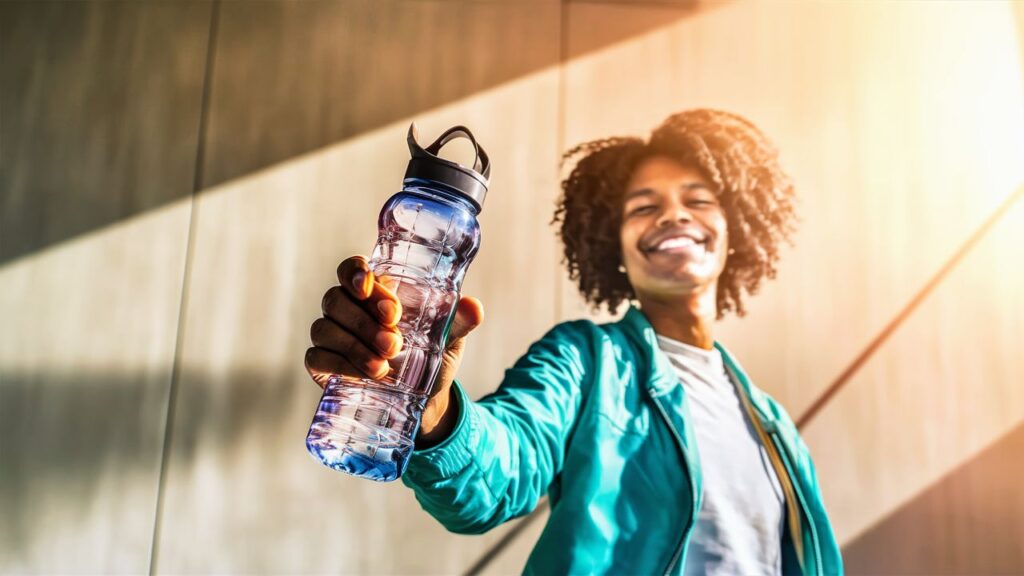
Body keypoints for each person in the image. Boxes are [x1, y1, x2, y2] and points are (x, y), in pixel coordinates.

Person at [306, 109, 843, 575]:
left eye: (698, 200)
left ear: (737, 229)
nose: (674, 215)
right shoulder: (586, 362)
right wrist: (430, 402)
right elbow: (500, 469)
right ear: (615, 245)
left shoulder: (776, 429)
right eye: (643, 207)